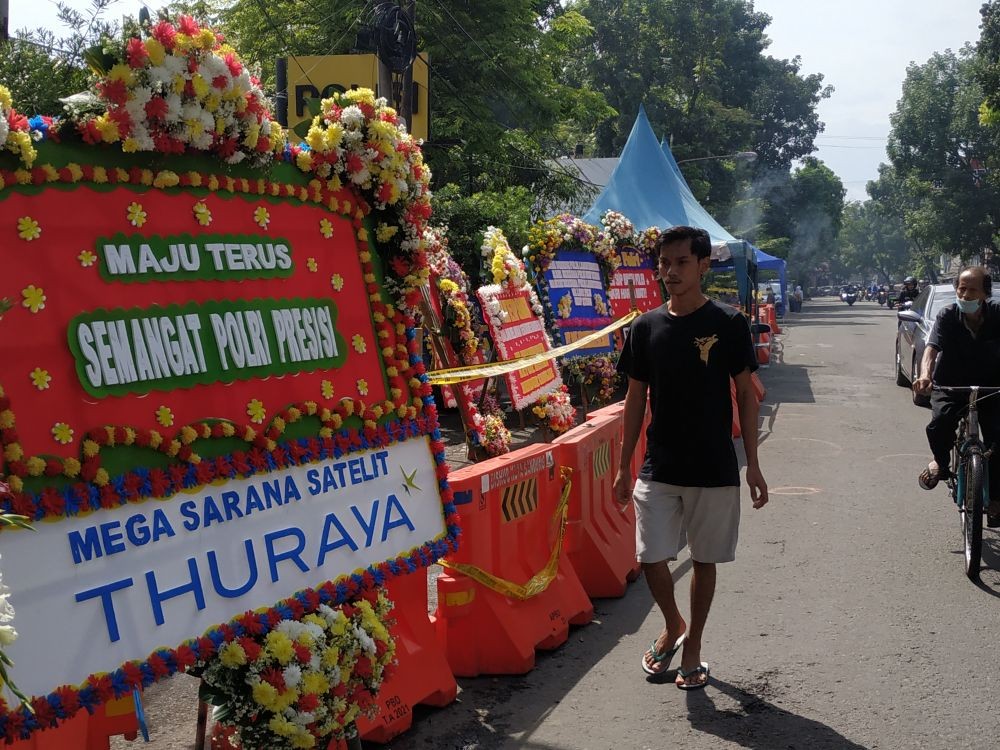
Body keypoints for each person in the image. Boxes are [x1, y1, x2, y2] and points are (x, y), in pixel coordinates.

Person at [613, 225, 769, 690]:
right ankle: (673, 623)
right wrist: (624, 466)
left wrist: (754, 464)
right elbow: (634, 400)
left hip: (715, 465)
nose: (671, 271)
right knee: (650, 556)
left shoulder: (728, 323)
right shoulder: (645, 327)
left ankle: (693, 646)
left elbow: (746, 393)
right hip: (659, 464)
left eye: (681, 262)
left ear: (703, 265)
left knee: (705, 559)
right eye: (664, 262)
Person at [913, 267, 1000, 528]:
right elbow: (931, 349)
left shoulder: (997, 314)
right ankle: (940, 463)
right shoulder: (947, 315)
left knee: (998, 439)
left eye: (972, 289)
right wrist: (925, 375)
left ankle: (995, 498)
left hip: (992, 387)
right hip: (950, 385)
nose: (964, 293)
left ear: (985, 293)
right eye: (961, 288)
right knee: (940, 423)